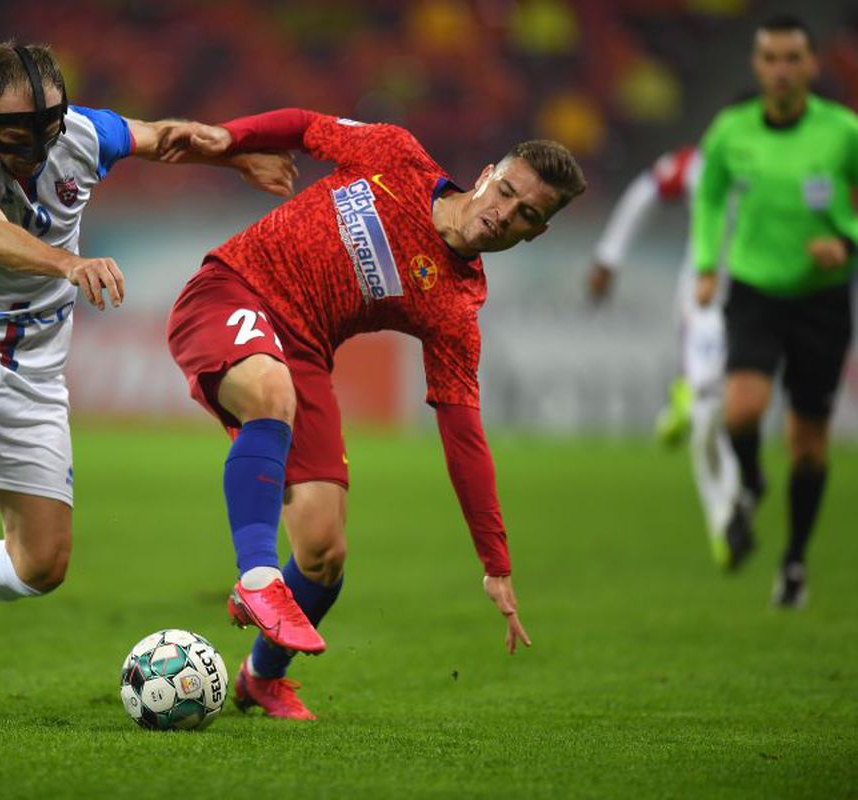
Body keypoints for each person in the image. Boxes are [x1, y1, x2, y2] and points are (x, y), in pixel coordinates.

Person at [0, 41, 294, 719]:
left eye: (45, 130)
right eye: (14, 133)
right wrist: (69, 264)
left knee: (41, 565)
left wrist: (234, 156)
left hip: (35, 369)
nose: (31, 148)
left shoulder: (82, 134)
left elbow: (163, 137)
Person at [161, 109, 585, 720]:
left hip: (304, 355)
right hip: (232, 290)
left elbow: (464, 435)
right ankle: (256, 579)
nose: (504, 212)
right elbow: (305, 125)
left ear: (535, 233)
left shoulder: (455, 307)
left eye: (526, 214)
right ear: (487, 174)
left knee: (324, 554)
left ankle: (261, 676)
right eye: (506, 191)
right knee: (271, 394)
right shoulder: (396, 154)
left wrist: (496, 564)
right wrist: (233, 138)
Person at [692, 16, 858, 607]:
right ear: (757, 66)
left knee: (807, 443)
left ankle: (793, 562)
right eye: (771, 58)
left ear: (812, 65)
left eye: (792, 58)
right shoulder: (731, 131)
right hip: (756, 290)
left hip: (822, 298)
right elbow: (709, 196)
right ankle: (752, 481)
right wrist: (707, 263)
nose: (781, 70)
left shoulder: (842, 131)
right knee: (741, 410)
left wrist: (847, 241)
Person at [586, 146, 739, 562]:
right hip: (706, 300)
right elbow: (644, 192)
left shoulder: (788, 167)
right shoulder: (701, 164)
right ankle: (725, 519)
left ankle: (684, 392)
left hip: (763, 300)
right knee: (711, 410)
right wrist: (609, 256)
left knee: (734, 410)